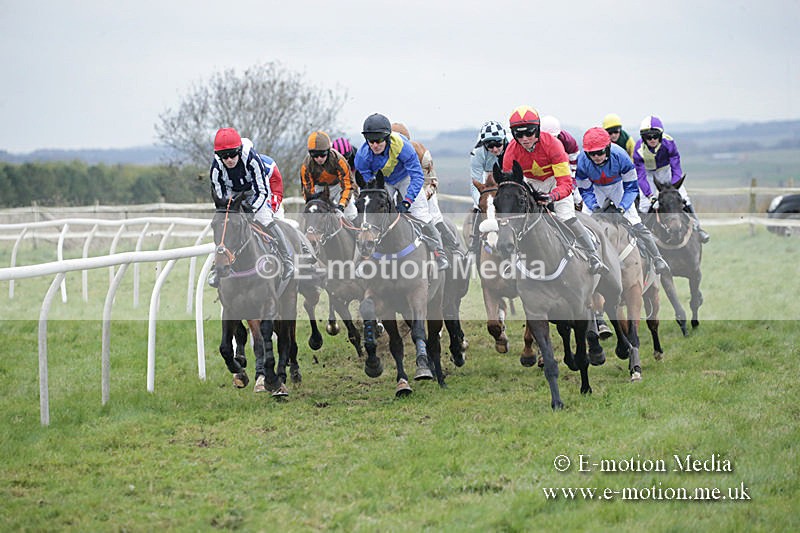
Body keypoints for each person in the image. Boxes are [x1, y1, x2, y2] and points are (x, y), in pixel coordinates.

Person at [502, 105, 606, 274]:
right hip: (530, 183)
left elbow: (565, 183)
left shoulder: (553, 144)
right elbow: (509, 186)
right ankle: (511, 260)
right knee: (518, 219)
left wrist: (552, 197)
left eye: (529, 133)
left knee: (566, 216)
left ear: (537, 129)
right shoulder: (510, 152)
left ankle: (593, 255)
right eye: (519, 134)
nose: (525, 138)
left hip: (555, 181)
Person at [354, 113, 449, 270]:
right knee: (372, 214)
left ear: (387, 138)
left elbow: (417, 177)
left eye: (378, 141)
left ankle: (439, 254)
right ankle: (361, 260)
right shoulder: (362, 157)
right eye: (371, 141)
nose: (375, 145)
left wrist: (407, 201)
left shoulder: (403, 147)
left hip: (406, 178)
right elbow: (369, 186)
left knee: (421, 214)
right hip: (384, 181)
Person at [577, 127, 671, 275]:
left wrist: (622, 208)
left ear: (608, 148)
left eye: (600, 152)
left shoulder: (621, 156)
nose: (596, 157)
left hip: (618, 187)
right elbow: (585, 190)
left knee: (634, 220)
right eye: (592, 154)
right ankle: (585, 259)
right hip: (595, 188)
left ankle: (657, 258)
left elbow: (631, 188)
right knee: (584, 222)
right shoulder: (582, 160)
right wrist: (593, 206)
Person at [209, 127, 294, 284]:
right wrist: (230, 210)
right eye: (224, 156)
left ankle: (287, 259)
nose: (229, 159)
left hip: (260, 188)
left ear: (239, 150)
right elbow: (221, 197)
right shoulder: (216, 168)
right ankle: (217, 267)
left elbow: (262, 190)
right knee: (224, 225)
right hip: (235, 192)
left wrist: (251, 209)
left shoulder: (252, 159)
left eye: (232, 154)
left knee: (265, 219)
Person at [634, 115, 710, 243]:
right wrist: (650, 196)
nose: (652, 140)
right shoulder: (638, 149)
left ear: (660, 135)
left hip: (666, 171)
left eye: (655, 136)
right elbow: (641, 176)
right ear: (643, 137)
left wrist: (674, 187)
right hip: (648, 174)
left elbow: (676, 167)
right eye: (648, 137)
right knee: (645, 204)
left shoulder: (669, 143)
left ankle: (698, 228)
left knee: (684, 196)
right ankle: (641, 237)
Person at [391, 122, 461, 256]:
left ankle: (451, 246)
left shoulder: (421, 154)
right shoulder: (383, 155)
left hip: (422, 189)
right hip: (398, 190)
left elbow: (431, 182)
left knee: (433, 215)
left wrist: (416, 197)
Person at [468, 120, 507, 254]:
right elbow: (475, 183)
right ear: (484, 144)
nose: (495, 149)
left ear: (504, 140)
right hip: (487, 175)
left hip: (507, 173)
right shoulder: (477, 153)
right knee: (479, 205)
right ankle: (474, 245)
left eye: (498, 144)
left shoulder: (513, 145)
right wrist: (481, 203)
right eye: (490, 146)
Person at [300, 130, 356, 219]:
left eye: (322, 155)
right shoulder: (306, 166)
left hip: (338, 187)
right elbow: (308, 190)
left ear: (328, 151)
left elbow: (347, 185)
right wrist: (312, 202)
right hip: (319, 189)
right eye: (315, 155)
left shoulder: (339, 160)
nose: (319, 159)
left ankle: (354, 227)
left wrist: (342, 205)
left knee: (350, 212)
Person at [540, 115, 582, 210]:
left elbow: (574, 167)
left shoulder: (569, 142)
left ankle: (578, 208)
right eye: (547, 138)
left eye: (554, 137)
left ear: (559, 135)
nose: (551, 141)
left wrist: (572, 185)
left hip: (564, 169)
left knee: (576, 197)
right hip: (545, 171)